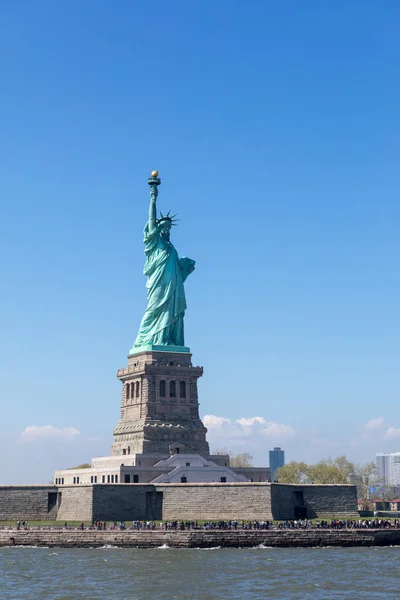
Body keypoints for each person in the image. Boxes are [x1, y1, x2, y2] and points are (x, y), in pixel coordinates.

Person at [133, 174, 195, 349]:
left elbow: (177, 273)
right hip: (158, 284)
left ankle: (167, 341)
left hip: (174, 287)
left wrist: (185, 269)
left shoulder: (171, 249)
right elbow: (151, 220)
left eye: (169, 227)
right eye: (163, 227)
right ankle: (145, 339)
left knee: (172, 313)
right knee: (153, 310)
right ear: (158, 230)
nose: (167, 230)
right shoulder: (155, 244)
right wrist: (153, 196)